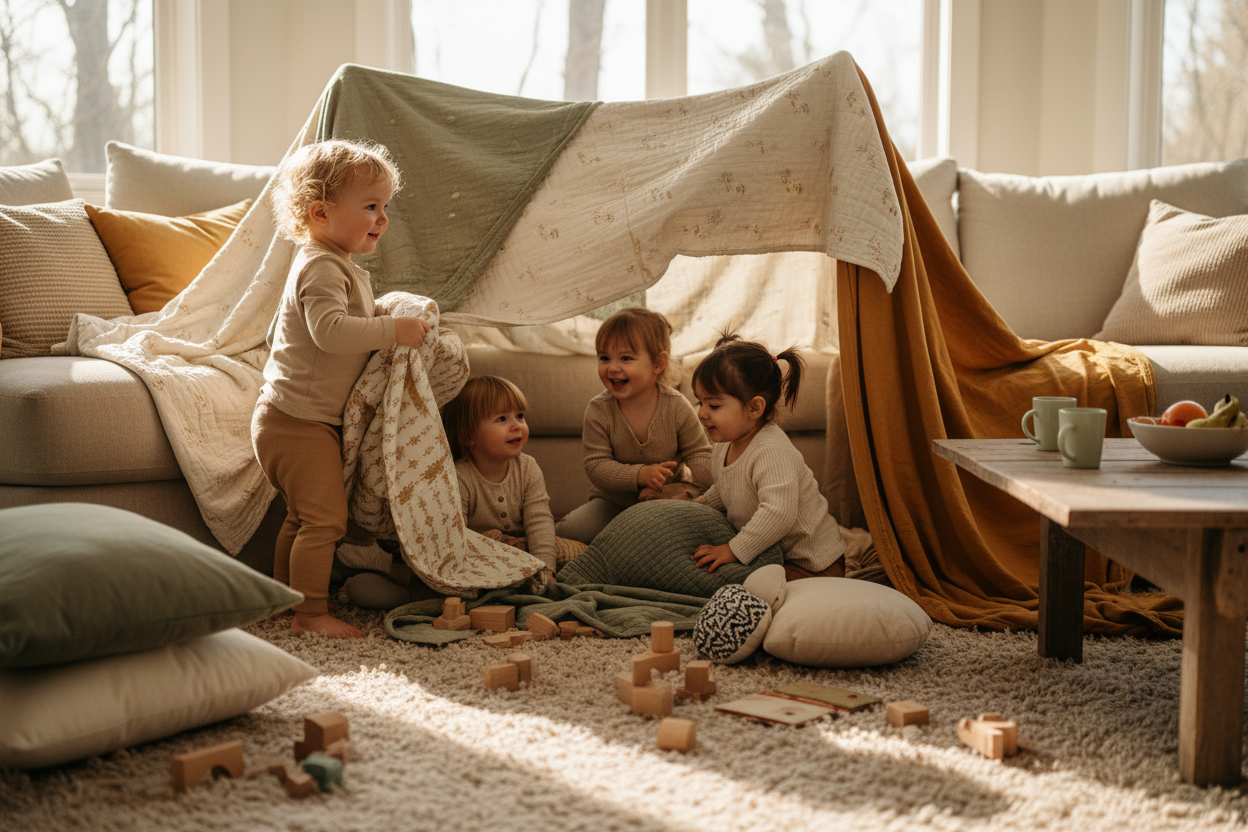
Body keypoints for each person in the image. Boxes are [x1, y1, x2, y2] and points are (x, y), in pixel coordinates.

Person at [251, 138, 432, 638]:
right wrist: (390, 330)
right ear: (320, 212)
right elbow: (328, 331)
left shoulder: (341, 265)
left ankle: (284, 601)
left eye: (385, 207)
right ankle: (310, 614)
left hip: (296, 419)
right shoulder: (321, 266)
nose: (383, 218)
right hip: (296, 422)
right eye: (370, 206)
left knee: (301, 517)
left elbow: (351, 319)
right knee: (325, 522)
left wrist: (379, 314)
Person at [689, 333, 846, 580]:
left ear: (754, 408)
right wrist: (697, 506)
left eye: (714, 406)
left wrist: (733, 549)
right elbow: (726, 489)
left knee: (746, 587)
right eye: (700, 403)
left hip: (813, 562)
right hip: (773, 555)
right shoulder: (724, 444)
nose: (702, 414)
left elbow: (778, 513)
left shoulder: (771, 450)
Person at [557, 307, 712, 544]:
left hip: (666, 499)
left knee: (693, 530)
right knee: (570, 532)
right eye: (604, 358)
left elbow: (700, 454)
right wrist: (639, 474)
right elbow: (596, 466)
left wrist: (690, 490)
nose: (613, 367)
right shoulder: (599, 410)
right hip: (612, 504)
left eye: (626, 358)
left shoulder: (676, 406)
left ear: (658, 363)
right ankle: (624, 539)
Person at [441, 375, 558, 588]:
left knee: (573, 554)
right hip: (480, 554)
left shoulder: (528, 467)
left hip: (523, 548)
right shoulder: (459, 477)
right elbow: (456, 538)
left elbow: (539, 520)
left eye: (520, 416)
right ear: (469, 436)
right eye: (502, 419)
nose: (516, 426)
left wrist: (545, 568)